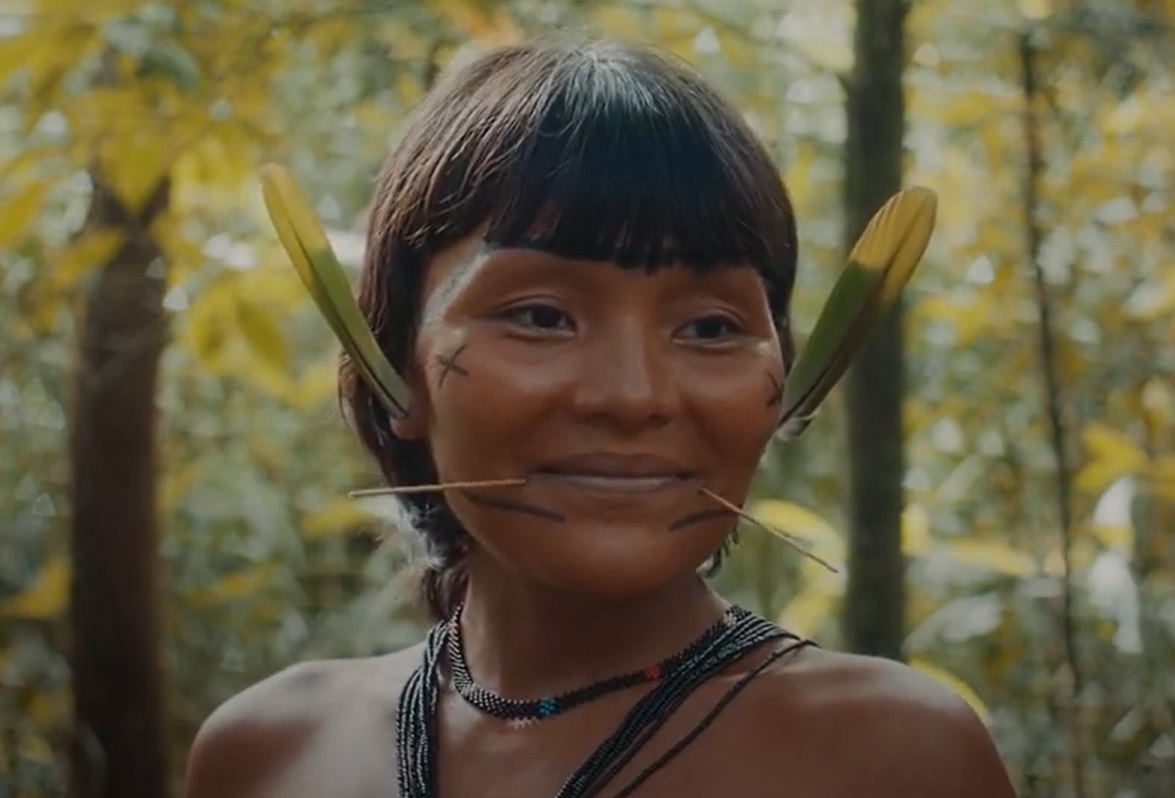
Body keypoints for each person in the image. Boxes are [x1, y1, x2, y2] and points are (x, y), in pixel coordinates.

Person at [183, 35, 1017, 798]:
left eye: (710, 327)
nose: (632, 396)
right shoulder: (264, 753)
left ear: (788, 386)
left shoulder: (895, 757)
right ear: (396, 367)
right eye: (541, 316)